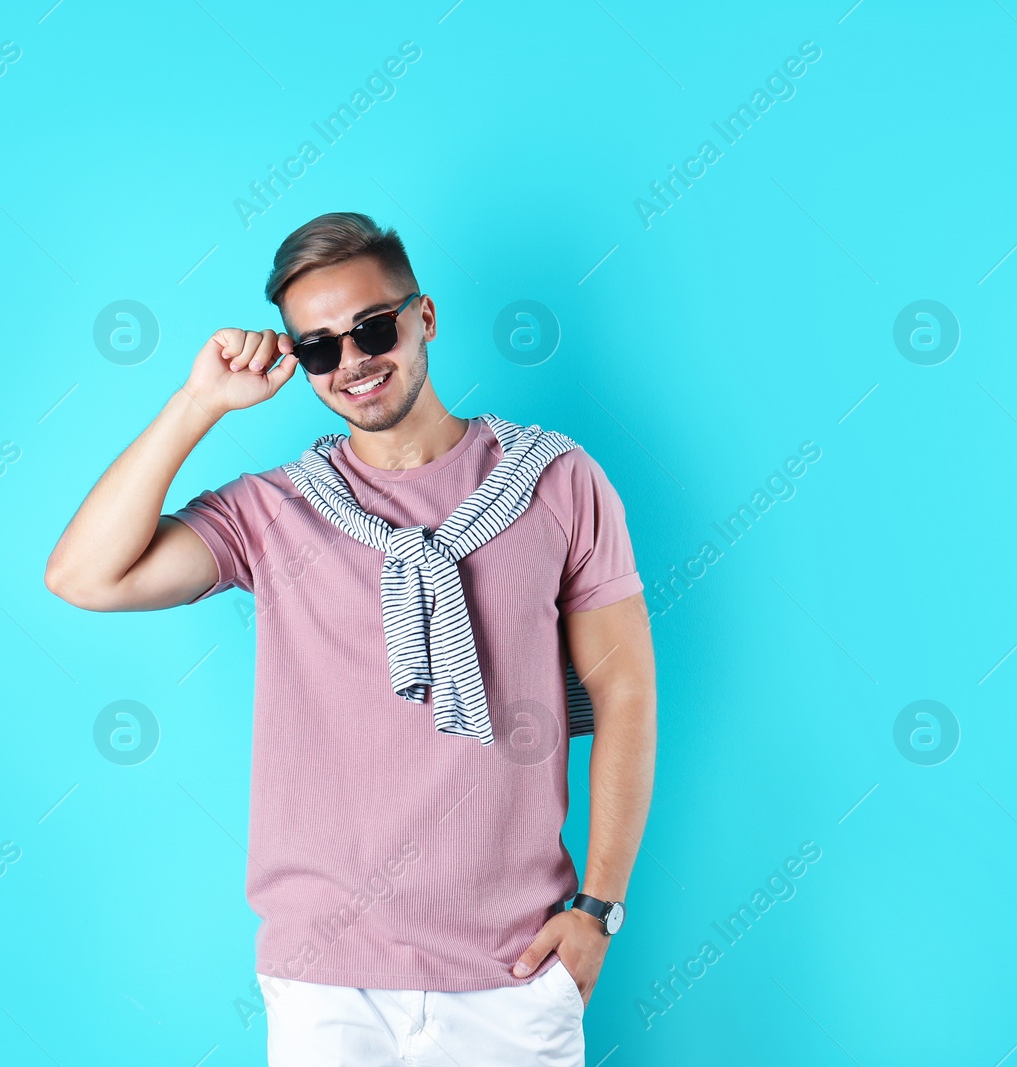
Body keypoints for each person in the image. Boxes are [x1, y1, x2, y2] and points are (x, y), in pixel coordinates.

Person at [45, 212, 656, 1066]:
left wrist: (598, 909)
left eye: (373, 328)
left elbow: (625, 692)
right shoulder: (273, 511)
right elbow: (84, 576)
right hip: (327, 978)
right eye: (322, 348)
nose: (355, 361)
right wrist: (198, 405)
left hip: (514, 969)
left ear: (424, 316)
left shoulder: (554, 481)